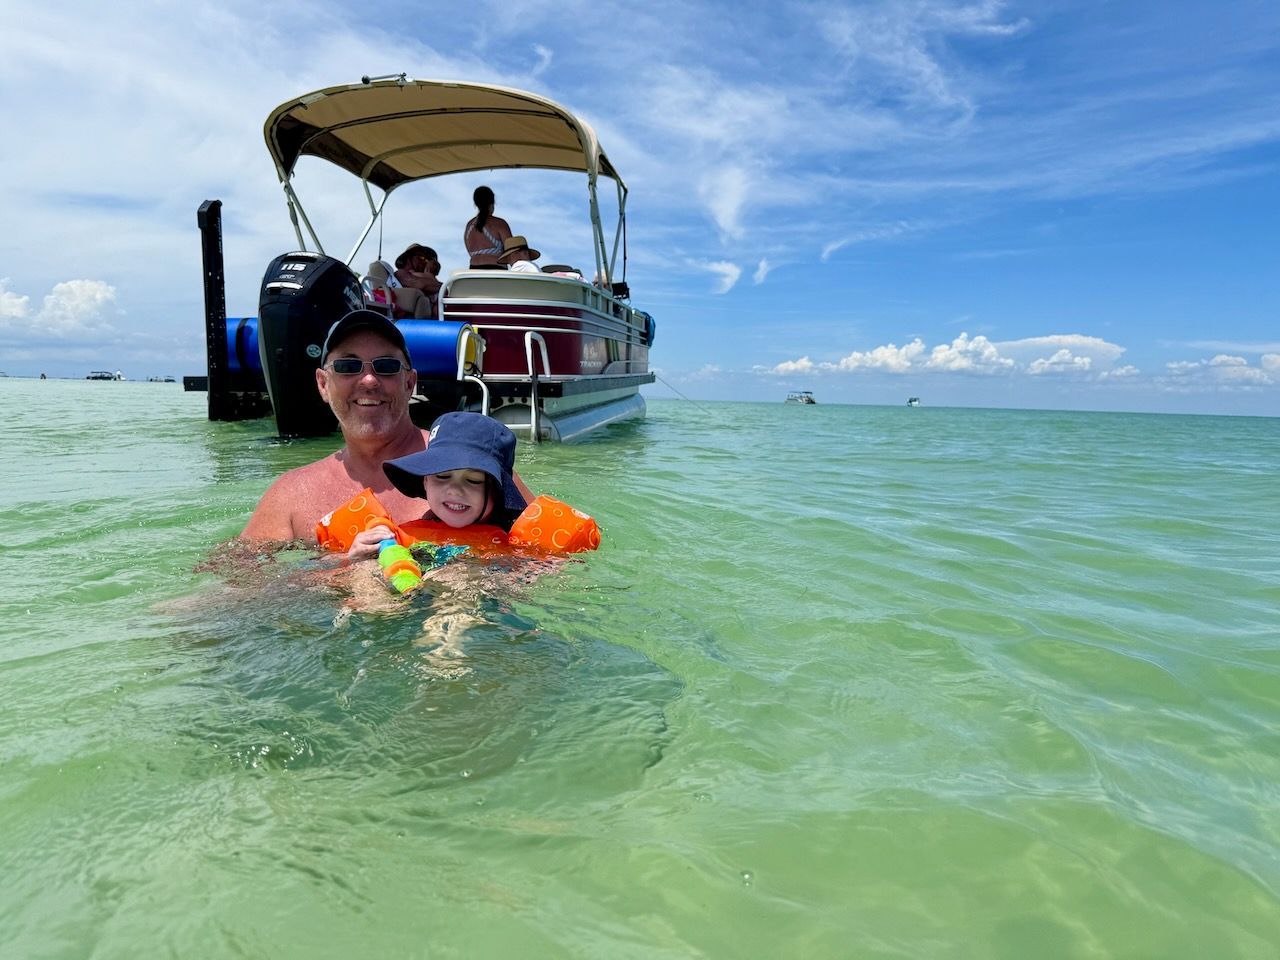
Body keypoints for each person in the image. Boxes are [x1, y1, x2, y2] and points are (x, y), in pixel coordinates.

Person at [240, 309, 533, 554]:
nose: (368, 380)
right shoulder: (292, 495)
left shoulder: (476, 464)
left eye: (387, 366)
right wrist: (337, 573)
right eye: (348, 366)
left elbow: (544, 562)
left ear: (410, 383)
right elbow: (238, 585)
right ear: (323, 384)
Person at [382, 412, 527, 532]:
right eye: (442, 476)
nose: (454, 490)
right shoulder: (423, 530)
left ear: (498, 490)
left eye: (473, 480)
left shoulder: (521, 536)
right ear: (425, 481)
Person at [463, 185, 513, 269]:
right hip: (496, 269)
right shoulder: (500, 224)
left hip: (474, 270)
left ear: (476, 204)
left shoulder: (469, 226)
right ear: (492, 203)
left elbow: (469, 251)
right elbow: (512, 252)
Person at [393, 243, 442, 318]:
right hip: (405, 319)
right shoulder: (400, 273)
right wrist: (429, 274)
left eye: (427, 260)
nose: (425, 262)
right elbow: (420, 284)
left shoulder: (425, 278)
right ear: (408, 258)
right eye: (421, 257)